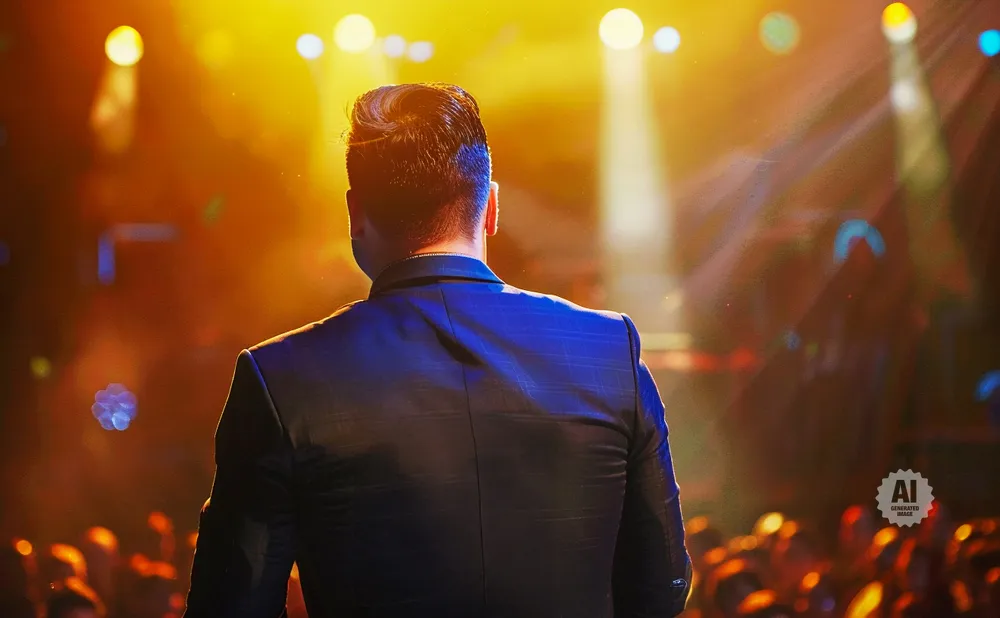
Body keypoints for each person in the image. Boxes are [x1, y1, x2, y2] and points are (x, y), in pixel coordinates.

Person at [184, 82, 691, 618]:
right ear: (492, 206)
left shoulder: (281, 378)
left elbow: (232, 604)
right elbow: (660, 588)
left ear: (356, 214)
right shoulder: (607, 350)